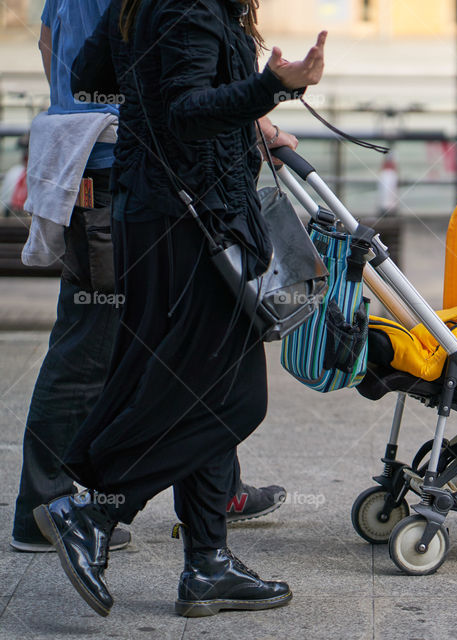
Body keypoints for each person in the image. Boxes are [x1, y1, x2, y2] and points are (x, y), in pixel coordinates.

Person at [32, 0, 326, 618]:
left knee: (193, 387)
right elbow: (188, 114)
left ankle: (207, 565)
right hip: (191, 221)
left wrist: (177, 90)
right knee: (232, 398)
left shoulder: (134, 4)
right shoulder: (189, 5)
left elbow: (90, 76)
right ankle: (94, 510)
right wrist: (274, 86)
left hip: (151, 211)